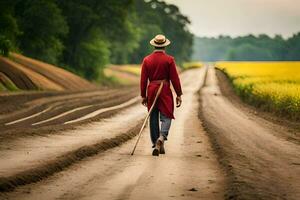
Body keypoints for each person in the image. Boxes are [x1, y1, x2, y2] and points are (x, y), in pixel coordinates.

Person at [140, 34, 183, 156]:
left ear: (154, 45)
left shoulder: (147, 60)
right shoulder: (169, 60)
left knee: (153, 116)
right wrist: (178, 94)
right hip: (164, 89)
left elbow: (143, 80)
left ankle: (155, 143)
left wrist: (143, 95)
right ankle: (162, 138)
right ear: (164, 46)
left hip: (152, 89)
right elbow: (175, 79)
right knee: (167, 116)